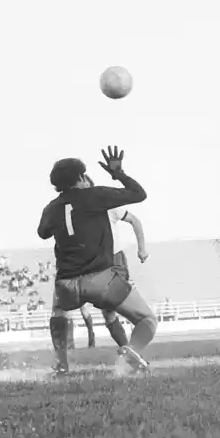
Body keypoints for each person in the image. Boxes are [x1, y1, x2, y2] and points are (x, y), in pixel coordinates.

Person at [37, 146, 158, 374]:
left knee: (59, 311)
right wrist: (118, 174)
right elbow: (139, 194)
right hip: (100, 280)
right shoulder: (95, 195)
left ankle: (61, 364)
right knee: (147, 320)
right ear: (82, 177)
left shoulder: (51, 208)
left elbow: (42, 232)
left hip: (66, 284)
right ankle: (130, 351)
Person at [66, 175, 151, 350]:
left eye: (84, 186)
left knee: (114, 305)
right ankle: (129, 350)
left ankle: (133, 342)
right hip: (95, 265)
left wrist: (142, 248)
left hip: (114, 260)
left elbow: (135, 220)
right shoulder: (74, 213)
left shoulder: (108, 205)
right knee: (108, 312)